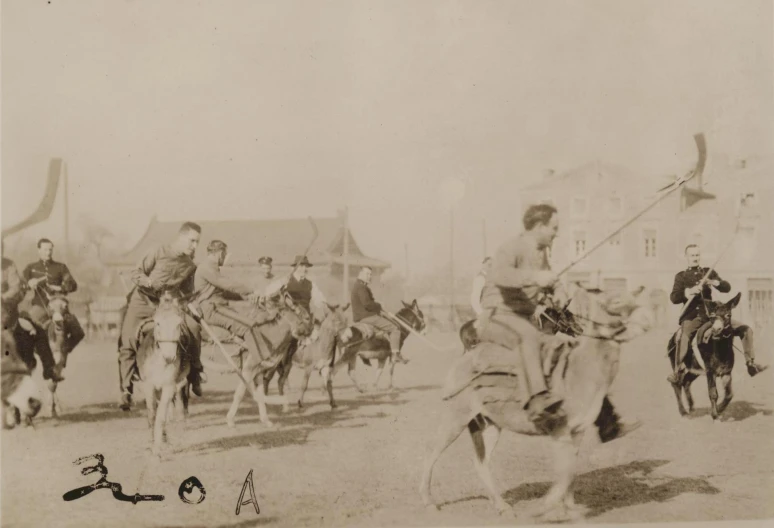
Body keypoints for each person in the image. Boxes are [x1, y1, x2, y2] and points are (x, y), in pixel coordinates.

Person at [476, 203, 567, 432]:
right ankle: (536, 402)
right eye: (554, 228)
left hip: (521, 317)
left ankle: (557, 398)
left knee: (559, 343)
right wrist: (536, 277)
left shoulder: (541, 252)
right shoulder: (511, 247)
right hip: (497, 315)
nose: (557, 233)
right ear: (538, 226)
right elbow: (500, 275)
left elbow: (549, 281)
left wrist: (558, 291)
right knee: (529, 336)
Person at [117, 222, 204, 411]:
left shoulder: (189, 265)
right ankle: (126, 390)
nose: (194, 246)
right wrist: (148, 281)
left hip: (167, 306)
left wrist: (191, 306)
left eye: (197, 242)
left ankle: (195, 373)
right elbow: (136, 272)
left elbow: (187, 292)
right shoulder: (158, 250)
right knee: (128, 339)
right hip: (143, 301)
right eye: (192, 241)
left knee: (194, 328)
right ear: (181, 237)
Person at [669, 243, 767, 384]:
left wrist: (715, 282)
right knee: (683, 336)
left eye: (697, 255)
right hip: (693, 316)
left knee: (745, 329)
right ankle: (678, 371)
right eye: (692, 255)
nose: (695, 258)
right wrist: (689, 292)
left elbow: (727, 287)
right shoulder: (681, 276)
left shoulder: (708, 271)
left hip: (714, 315)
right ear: (686, 257)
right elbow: (674, 297)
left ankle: (751, 363)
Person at [191, 240, 278, 367]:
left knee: (251, 321)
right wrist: (252, 290)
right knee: (246, 327)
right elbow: (227, 284)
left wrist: (247, 297)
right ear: (220, 253)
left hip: (218, 307)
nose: (225, 257)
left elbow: (224, 293)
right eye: (225, 254)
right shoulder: (206, 268)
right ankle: (262, 359)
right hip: (212, 309)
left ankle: (245, 354)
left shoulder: (211, 268)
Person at [2, 242, 62, 382]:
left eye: (0, 248)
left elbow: (16, 287)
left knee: (38, 331)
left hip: (8, 316)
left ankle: (49, 369)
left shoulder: (9, 265)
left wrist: (3, 298)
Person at [22, 238, 85, 359]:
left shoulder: (60, 267)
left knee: (78, 332)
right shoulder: (31, 268)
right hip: (40, 306)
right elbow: (20, 284)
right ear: (39, 250)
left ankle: (64, 348)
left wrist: (60, 287)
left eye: (50, 250)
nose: (48, 253)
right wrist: (28, 284)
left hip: (59, 306)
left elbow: (73, 285)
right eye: (45, 250)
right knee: (24, 329)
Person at [350, 266, 409, 364]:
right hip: (367, 317)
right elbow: (367, 304)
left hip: (364, 316)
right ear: (360, 274)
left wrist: (379, 309)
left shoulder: (359, 286)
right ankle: (395, 355)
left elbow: (368, 303)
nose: (369, 276)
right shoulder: (361, 287)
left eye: (370, 274)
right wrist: (379, 305)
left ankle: (388, 350)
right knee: (395, 328)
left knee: (387, 325)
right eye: (367, 274)